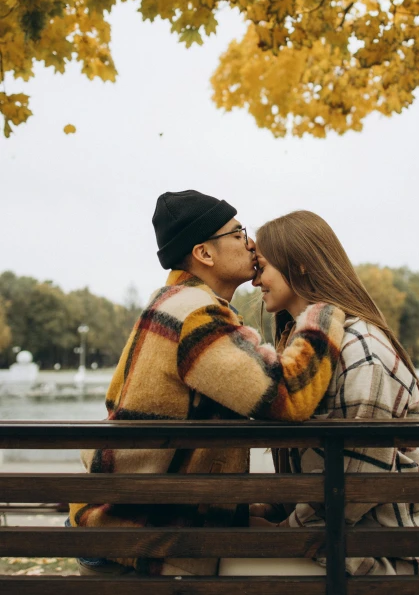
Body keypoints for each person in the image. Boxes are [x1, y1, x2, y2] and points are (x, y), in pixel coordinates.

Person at [69, 191, 345, 578]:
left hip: (124, 520)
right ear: (205, 253)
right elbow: (288, 398)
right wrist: (324, 310)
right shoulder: (195, 315)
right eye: (238, 233)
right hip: (141, 541)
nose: (250, 244)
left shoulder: (172, 302)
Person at [246, 209, 419, 577]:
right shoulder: (309, 349)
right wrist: (269, 512)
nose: (255, 282)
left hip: (396, 558)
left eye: (262, 268)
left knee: (214, 567)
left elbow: (357, 478)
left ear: (297, 266)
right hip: (353, 544)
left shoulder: (360, 349)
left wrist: (281, 534)